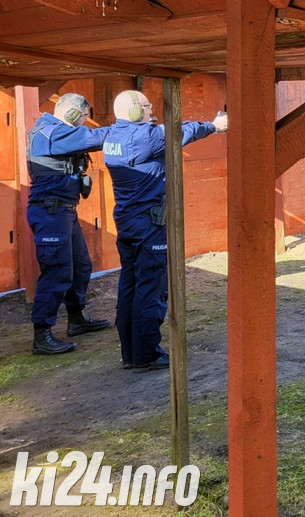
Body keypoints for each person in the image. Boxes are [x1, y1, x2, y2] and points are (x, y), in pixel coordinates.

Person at [102, 90, 227, 372]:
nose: (150, 111)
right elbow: (181, 130)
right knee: (151, 288)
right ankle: (146, 354)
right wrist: (215, 126)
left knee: (130, 285)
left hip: (128, 219)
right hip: (149, 224)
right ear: (135, 111)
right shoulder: (146, 136)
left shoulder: (112, 136)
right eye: (146, 107)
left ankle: (131, 353)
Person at [26, 93, 112, 355]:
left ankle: (76, 320)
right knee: (57, 271)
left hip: (63, 212)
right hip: (50, 213)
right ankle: (42, 335)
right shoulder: (53, 133)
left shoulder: (56, 131)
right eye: (84, 116)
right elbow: (96, 138)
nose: (85, 122)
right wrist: (130, 130)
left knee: (81, 266)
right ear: (73, 113)